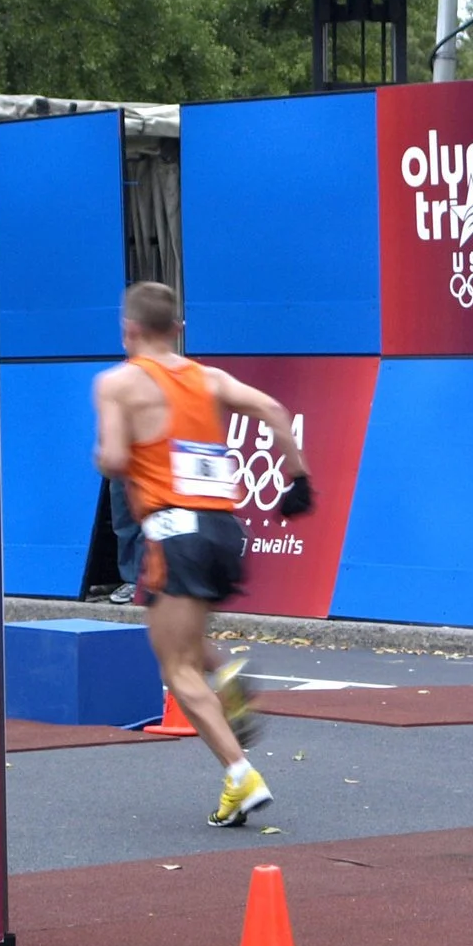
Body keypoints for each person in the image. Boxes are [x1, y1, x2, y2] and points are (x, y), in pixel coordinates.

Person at [94, 281, 312, 825]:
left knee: (175, 667)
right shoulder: (208, 378)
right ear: (179, 329)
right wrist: (298, 478)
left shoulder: (117, 383)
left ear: (129, 330)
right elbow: (272, 408)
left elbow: (116, 457)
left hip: (173, 531)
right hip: (224, 529)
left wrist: (110, 454)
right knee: (185, 639)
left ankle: (241, 774)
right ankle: (227, 674)